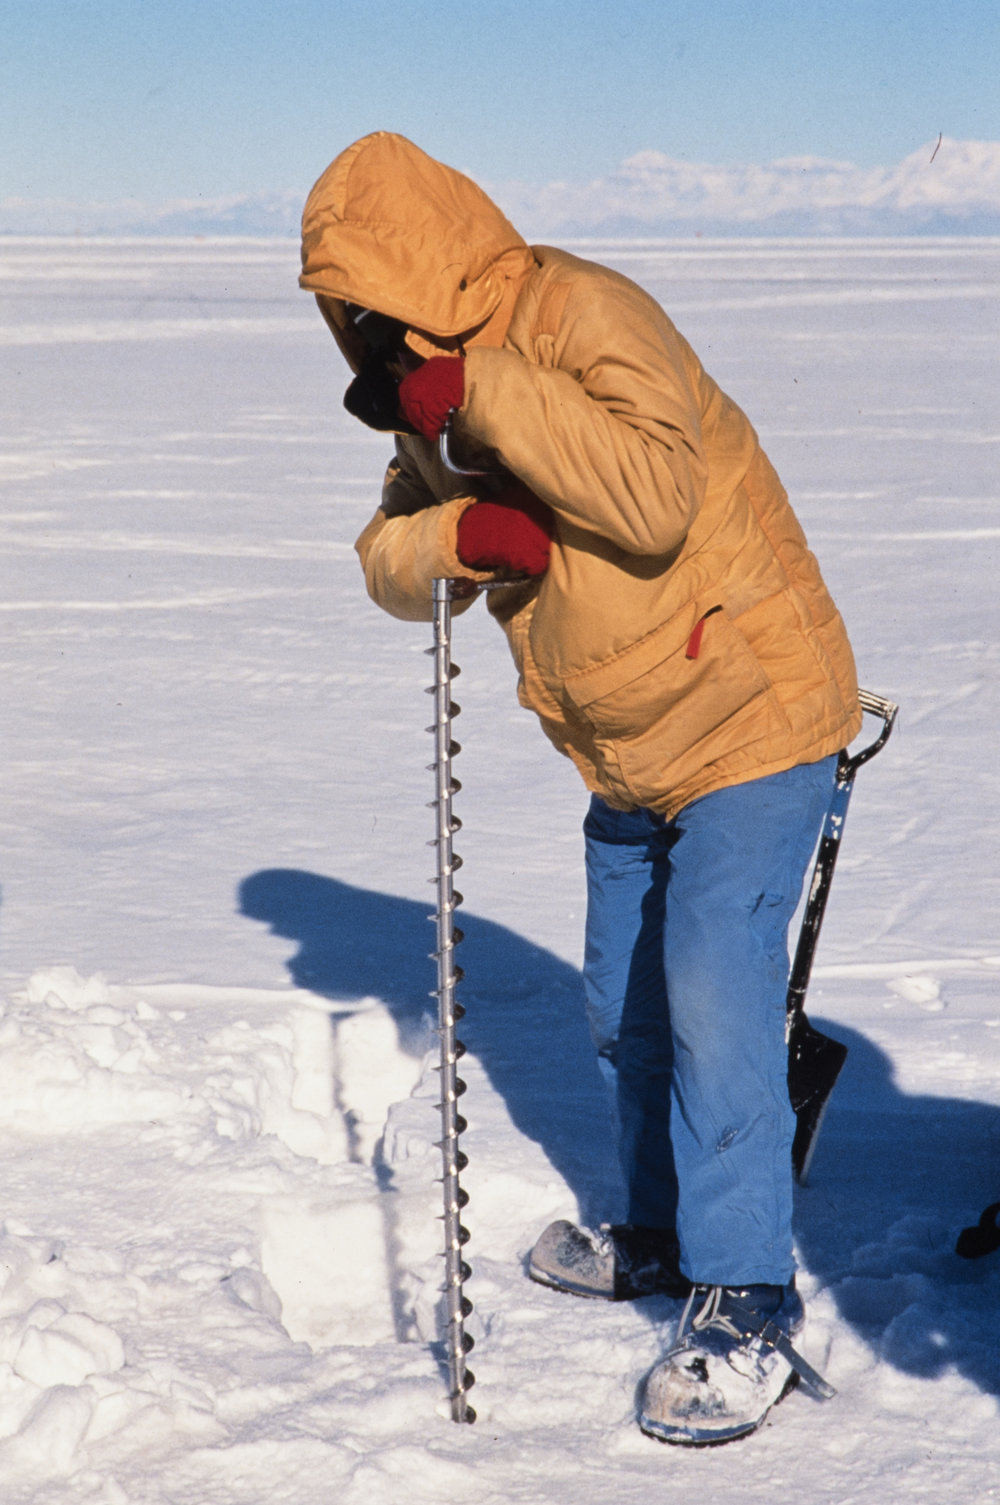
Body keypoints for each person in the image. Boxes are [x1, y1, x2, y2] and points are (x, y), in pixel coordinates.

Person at [299, 132, 862, 1445]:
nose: (358, 335)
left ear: (421, 271)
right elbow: (384, 550)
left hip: (753, 714)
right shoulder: (425, 390)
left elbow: (655, 498)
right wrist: (458, 531)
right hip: (625, 748)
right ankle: (665, 1234)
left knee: (714, 992)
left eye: (367, 304)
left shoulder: (584, 316)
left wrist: (485, 394)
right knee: (624, 1008)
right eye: (345, 315)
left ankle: (748, 1297)